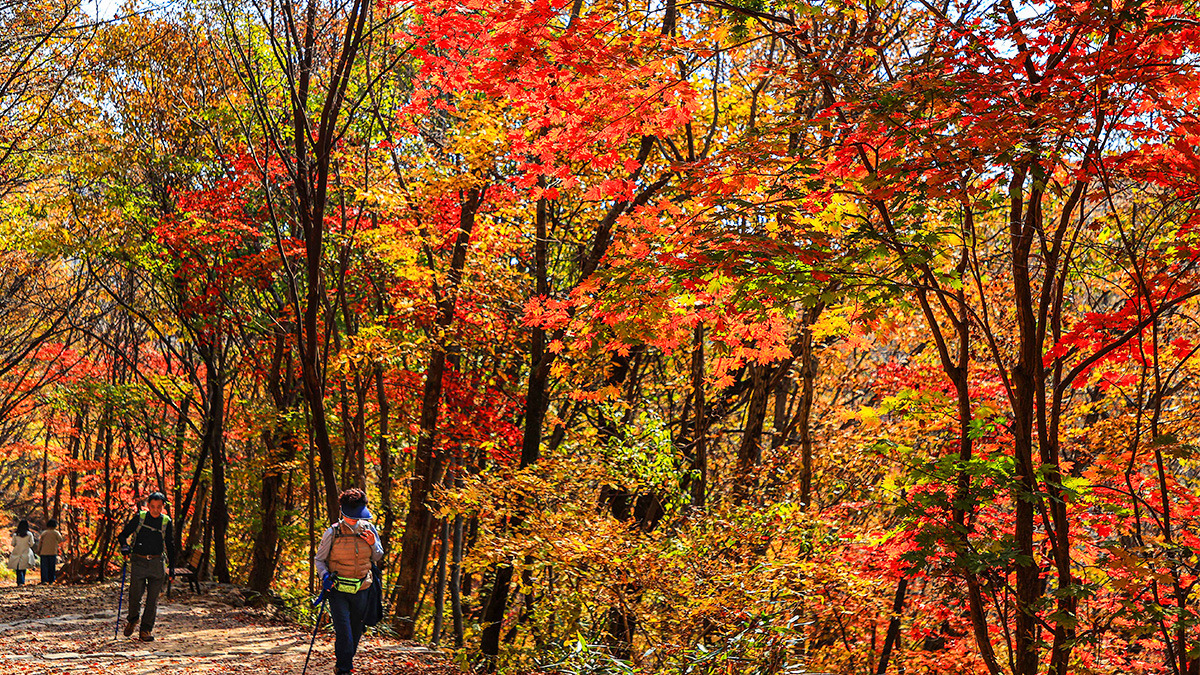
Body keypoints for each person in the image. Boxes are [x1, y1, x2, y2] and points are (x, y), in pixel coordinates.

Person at [314, 488, 384, 675]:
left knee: (356, 630)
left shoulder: (369, 529)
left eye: (357, 515)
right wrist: (324, 576)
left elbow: (378, 556)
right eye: (351, 515)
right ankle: (344, 669)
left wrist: (373, 544)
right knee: (344, 631)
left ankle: (344, 663)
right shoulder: (332, 532)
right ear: (342, 511)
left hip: (363, 588)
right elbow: (319, 560)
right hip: (338, 590)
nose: (354, 519)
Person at [116, 493, 175, 642]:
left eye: (159, 507)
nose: (156, 510)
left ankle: (146, 630)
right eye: (153, 506)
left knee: (152, 600)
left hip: (157, 563)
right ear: (148, 506)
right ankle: (133, 619)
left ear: (163, 506)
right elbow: (122, 535)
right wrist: (124, 546)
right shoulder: (140, 518)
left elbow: (170, 545)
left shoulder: (166, 522)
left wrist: (172, 568)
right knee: (135, 595)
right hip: (139, 562)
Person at [7, 519, 36, 586]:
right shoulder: (29, 534)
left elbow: (13, 544)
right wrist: (27, 545)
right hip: (26, 551)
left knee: (18, 567)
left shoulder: (15, 534)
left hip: (17, 551)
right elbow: (32, 544)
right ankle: (22, 581)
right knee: (23, 567)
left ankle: (19, 581)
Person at [37, 519, 64, 584]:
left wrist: (38, 550)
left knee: (44, 567)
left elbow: (40, 542)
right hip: (53, 552)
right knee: (52, 566)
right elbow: (60, 540)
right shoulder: (56, 533)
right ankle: (51, 580)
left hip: (44, 552)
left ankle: (44, 580)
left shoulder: (44, 533)